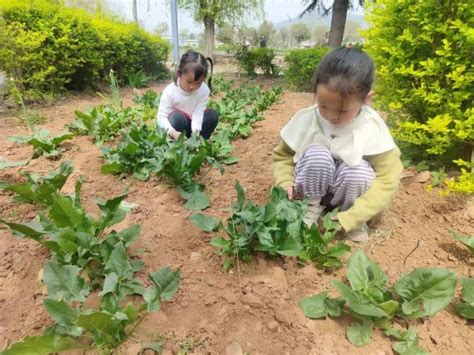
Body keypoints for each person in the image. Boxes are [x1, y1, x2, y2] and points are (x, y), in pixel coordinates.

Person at [272, 47, 403, 242]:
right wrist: (285, 182)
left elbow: (387, 179)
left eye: (342, 111)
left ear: (366, 99)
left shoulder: (371, 127)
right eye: (323, 106)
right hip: (310, 190)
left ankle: (349, 218)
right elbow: (283, 156)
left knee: (357, 170)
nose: (332, 117)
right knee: (316, 154)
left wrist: (354, 216)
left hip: (351, 199)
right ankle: (307, 208)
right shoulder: (308, 119)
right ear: (316, 91)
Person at [157, 50, 219, 140]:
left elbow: (198, 112)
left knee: (212, 116)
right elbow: (161, 117)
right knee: (177, 118)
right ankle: (176, 144)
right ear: (179, 73)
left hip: (192, 123)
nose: (192, 87)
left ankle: (199, 142)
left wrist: (196, 135)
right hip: (176, 127)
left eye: (198, 83)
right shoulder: (170, 91)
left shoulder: (204, 90)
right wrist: (172, 132)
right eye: (189, 82)